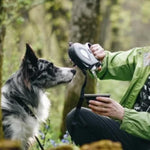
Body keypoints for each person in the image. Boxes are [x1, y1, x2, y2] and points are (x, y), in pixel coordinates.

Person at [66, 44, 150, 150]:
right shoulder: (146, 56)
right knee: (77, 118)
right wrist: (94, 58)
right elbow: (113, 63)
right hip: (131, 132)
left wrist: (123, 114)